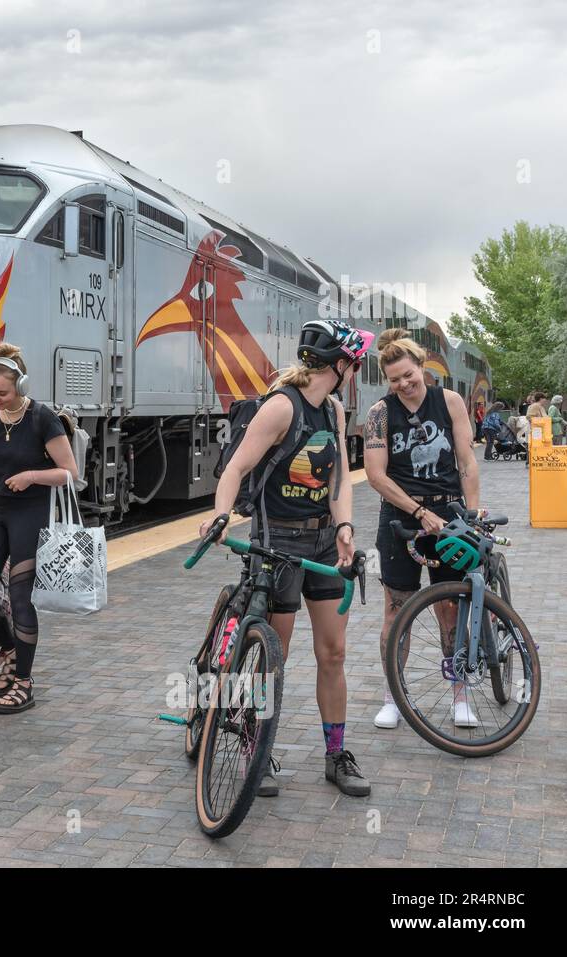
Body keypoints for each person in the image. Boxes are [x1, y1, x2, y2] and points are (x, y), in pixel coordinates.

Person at [199, 319, 373, 797]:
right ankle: (256, 746)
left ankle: (336, 755)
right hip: (278, 544)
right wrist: (218, 516)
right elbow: (236, 466)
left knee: (333, 652)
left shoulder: (334, 410)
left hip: (321, 543)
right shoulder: (281, 407)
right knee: (271, 658)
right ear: (340, 365)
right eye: (353, 364)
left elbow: (337, 481)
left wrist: (344, 529)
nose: (354, 372)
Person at [364, 329, 482, 730]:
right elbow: (376, 476)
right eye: (395, 379)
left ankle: (459, 693)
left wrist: (472, 512)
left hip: (448, 516)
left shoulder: (448, 402)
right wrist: (416, 510)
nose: (404, 384)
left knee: (450, 607)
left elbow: (465, 462)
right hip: (400, 518)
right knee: (397, 609)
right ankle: (393, 697)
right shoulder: (380, 413)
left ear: (422, 368)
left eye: (409, 374)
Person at [0, 342, 78, 714]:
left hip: (30, 515)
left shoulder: (43, 419)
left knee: (21, 598)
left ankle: (25, 682)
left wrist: (30, 476)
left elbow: (70, 474)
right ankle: (10, 649)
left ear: (21, 387)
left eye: (3, 393)